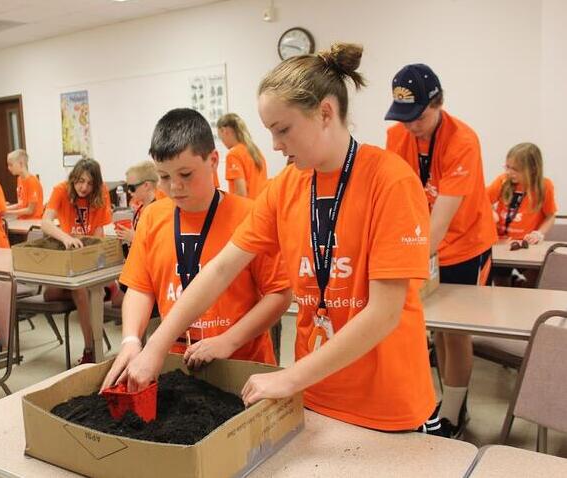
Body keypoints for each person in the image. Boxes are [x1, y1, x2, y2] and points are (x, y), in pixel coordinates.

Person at [116, 44, 440, 434]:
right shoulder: (285, 186)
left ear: (324, 113)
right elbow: (220, 270)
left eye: (283, 130)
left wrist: (288, 377)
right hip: (313, 393)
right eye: (270, 131)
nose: (274, 145)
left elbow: (385, 312)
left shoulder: (391, 180)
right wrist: (153, 346)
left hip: (386, 402)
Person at [101, 109, 291, 389]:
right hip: (176, 367)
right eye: (164, 177)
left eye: (186, 174)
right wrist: (131, 339)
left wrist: (229, 340)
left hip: (241, 368)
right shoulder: (153, 217)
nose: (175, 187)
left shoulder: (249, 216)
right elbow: (141, 287)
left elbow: (279, 293)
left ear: (213, 160)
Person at [385, 63, 497, 437]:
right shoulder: (396, 138)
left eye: (419, 116)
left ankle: (452, 413)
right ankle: (440, 402)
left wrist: (408, 265)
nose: (412, 125)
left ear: (439, 102)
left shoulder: (463, 140)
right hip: (423, 248)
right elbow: (399, 202)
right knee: (433, 330)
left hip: (465, 245)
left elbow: (440, 222)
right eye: (405, 118)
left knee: (455, 332)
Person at [42, 158, 112, 364]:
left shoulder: (102, 192)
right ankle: (102, 290)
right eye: (80, 181)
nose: (84, 187)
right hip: (68, 252)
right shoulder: (61, 190)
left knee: (80, 292)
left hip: (88, 254)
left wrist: (97, 255)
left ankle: (90, 349)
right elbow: (45, 223)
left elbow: (99, 232)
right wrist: (66, 238)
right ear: (73, 179)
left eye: (90, 183)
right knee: (50, 295)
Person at [487, 143, 557, 286]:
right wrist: (490, 212)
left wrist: (539, 233)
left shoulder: (544, 186)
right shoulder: (502, 181)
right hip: (501, 243)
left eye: (515, 169)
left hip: (527, 246)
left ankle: (518, 284)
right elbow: (480, 201)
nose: (509, 172)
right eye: (507, 167)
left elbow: (550, 216)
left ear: (532, 169)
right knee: (502, 287)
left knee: (533, 284)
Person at [217, 113, 268, 198]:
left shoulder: (233, 155)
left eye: (220, 137)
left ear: (224, 131)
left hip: (246, 210)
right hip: (261, 208)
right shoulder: (255, 151)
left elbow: (241, 193)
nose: (222, 141)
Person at [115, 161, 160, 246]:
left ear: (146, 185)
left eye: (132, 188)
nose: (128, 191)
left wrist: (134, 238)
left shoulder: (158, 211)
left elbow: (159, 245)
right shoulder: (140, 208)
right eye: (127, 187)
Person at [5, 149, 44, 220]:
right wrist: (5, 208)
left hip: (32, 222)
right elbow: (21, 204)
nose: (8, 168)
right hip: (22, 220)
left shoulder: (32, 181)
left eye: (11, 165)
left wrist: (8, 212)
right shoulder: (19, 179)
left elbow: (30, 210)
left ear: (21, 163)